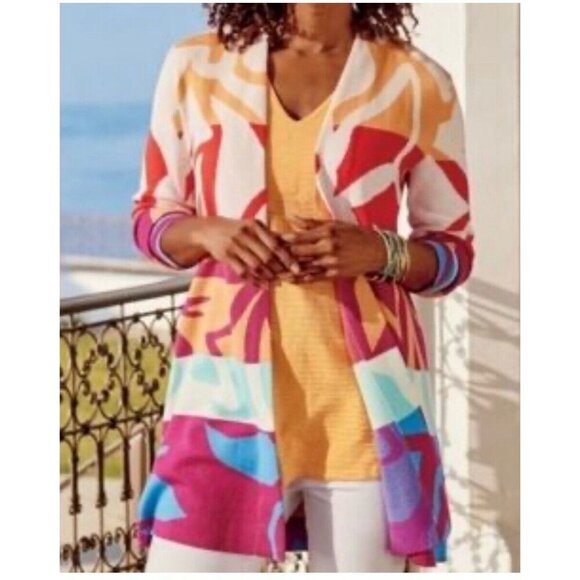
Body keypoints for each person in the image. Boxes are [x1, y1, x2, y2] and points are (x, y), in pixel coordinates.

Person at [131, 2, 474, 573]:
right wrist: (209, 231)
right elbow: (150, 218)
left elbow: (453, 253)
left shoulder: (416, 82)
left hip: (366, 413)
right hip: (223, 401)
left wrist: (381, 251)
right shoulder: (198, 65)